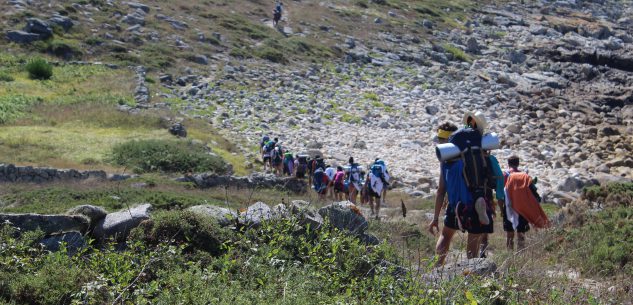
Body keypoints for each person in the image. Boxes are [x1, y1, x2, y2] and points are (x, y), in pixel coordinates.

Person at [428, 118, 491, 266]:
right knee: (473, 244)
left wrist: (436, 218)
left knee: (445, 236)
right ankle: (470, 276)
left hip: (455, 205)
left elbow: (441, 191)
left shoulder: (446, 160)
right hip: (476, 201)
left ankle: (436, 271)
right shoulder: (476, 154)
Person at [502, 155, 550, 250]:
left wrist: (501, 207)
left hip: (509, 207)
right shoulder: (525, 176)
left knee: (509, 234)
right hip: (522, 208)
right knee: (521, 234)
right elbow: (534, 194)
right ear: (518, 164)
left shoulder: (505, 175)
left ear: (508, 164)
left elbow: (501, 193)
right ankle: (520, 254)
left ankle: (509, 255)